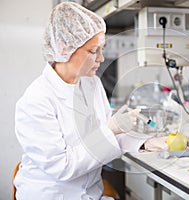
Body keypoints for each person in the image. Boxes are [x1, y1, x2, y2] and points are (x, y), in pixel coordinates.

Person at [14, 2, 142, 199]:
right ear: (64, 48)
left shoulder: (93, 85)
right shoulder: (36, 101)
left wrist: (144, 142)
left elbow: (110, 136)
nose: (101, 58)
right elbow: (62, 167)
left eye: (102, 49)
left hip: (91, 194)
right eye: (93, 51)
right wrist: (111, 128)